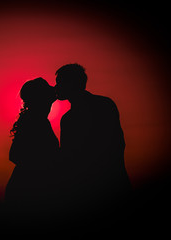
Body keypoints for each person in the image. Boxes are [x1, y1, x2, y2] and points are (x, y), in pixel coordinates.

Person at [55, 63, 132, 216]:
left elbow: (67, 157)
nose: (56, 87)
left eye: (59, 83)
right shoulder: (105, 104)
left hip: (92, 191)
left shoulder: (70, 119)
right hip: (112, 184)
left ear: (71, 84)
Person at [5, 77, 59, 216]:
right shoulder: (35, 120)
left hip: (30, 189)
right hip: (28, 191)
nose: (53, 89)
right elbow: (14, 155)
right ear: (41, 97)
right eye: (47, 89)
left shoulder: (37, 119)